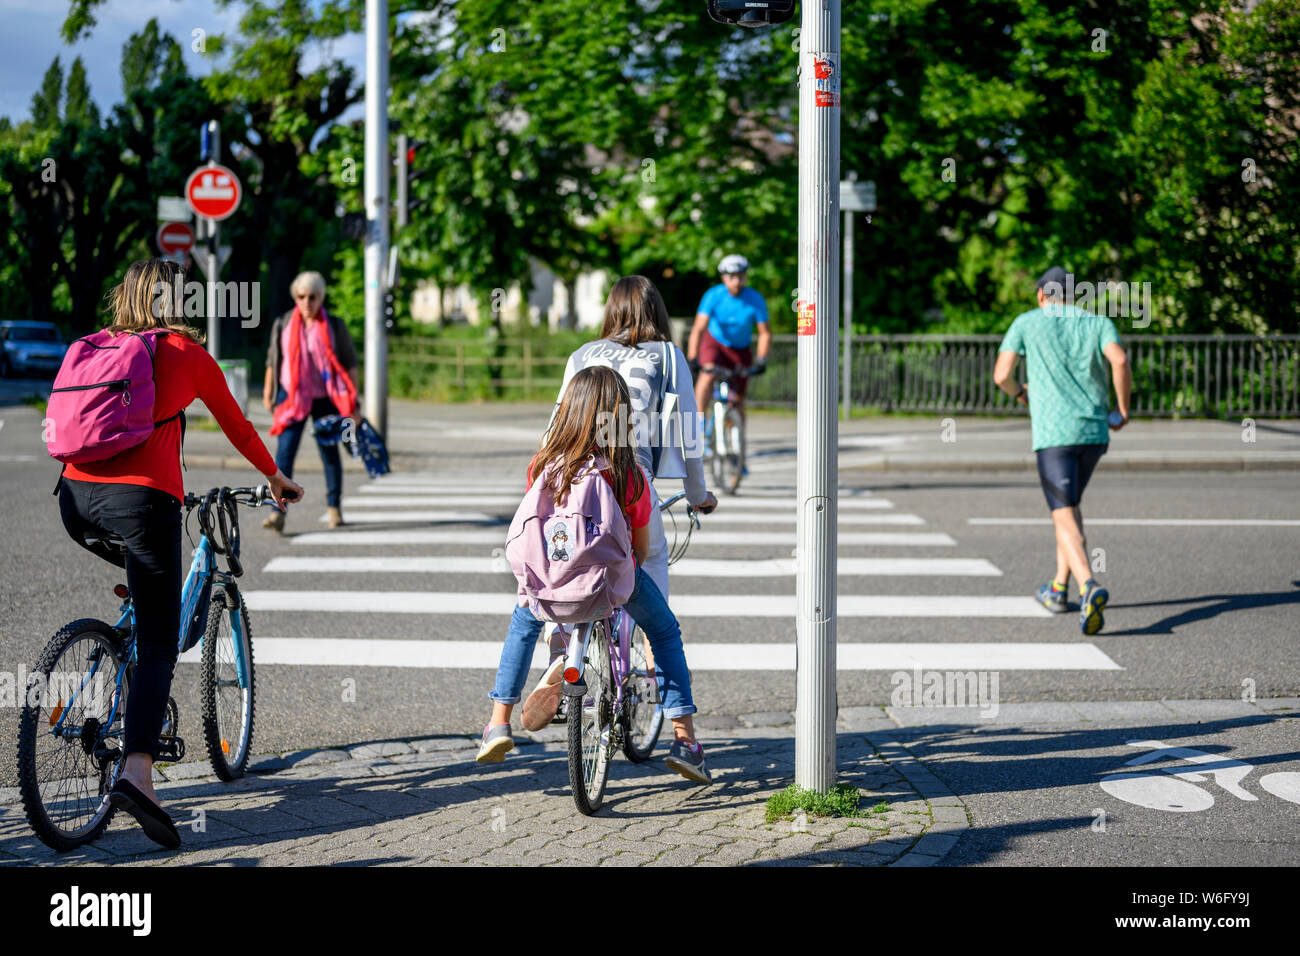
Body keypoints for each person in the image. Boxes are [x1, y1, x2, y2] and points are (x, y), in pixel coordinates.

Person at [57, 258, 303, 848]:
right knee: (163, 637)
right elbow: (237, 426)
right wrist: (275, 477)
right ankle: (138, 773)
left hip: (72, 499)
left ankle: (104, 671)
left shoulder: (95, 345)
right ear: (178, 301)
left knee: (145, 597)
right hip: (141, 506)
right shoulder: (186, 355)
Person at [477, 366, 712, 784]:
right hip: (605, 582)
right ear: (620, 418)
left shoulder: (542, 465)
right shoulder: (628, 474)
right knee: (663, 632)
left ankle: (498, 721)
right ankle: (684, 740)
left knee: (522, 622)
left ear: (567, 412)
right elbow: (639, 549)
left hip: (550, 582)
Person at [554, 275, 717, 599]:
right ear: (655, 310)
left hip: (574, 476)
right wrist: (697, 496)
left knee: (562, 559)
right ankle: (655, 644)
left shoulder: (582, 354)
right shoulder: (668, 355)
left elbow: (554, 428)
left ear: (610, 310)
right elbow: (689, 435)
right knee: (654, 558)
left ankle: (558, 636)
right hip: (631, 476)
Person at [993, 266, 1132, 635]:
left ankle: (1088, 586)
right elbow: (1119, 360)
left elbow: (1001, 375)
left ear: (1042, 294)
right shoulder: (1096, 322)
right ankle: (1057, 589)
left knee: (1063, 514)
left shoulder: (1026, 322)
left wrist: (1020, 394)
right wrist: (1122, 409)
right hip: (1094, 432)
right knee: (1067, 509)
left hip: (1054, 435)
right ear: (1073, 295)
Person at [262, 271, 359, 531]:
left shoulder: (335, 325)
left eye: (312, 297)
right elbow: (273, 359)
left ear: (321, 297)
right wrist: (269, 391)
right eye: (301, 297)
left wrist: (354, 403)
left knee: (330, 454)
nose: (306, 302)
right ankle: (278, 513)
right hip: (292, 395)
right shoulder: (284, 323)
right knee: (284, 454)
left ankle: (334, 508)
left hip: (327, 397)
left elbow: (350, 364)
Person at [687, 254, 771, 422]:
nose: (736, 282)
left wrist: (762, 359)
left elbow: (765, 333)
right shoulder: (713, 295)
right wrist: (692, 358)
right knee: (707, 375)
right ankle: (698, 422)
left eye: (741, 277)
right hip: (715, 343)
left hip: (740, 348)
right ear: (723, 277)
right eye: (731, 277)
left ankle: (736, 434)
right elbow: (698, 328)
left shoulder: (755, 299)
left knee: (739, 399)